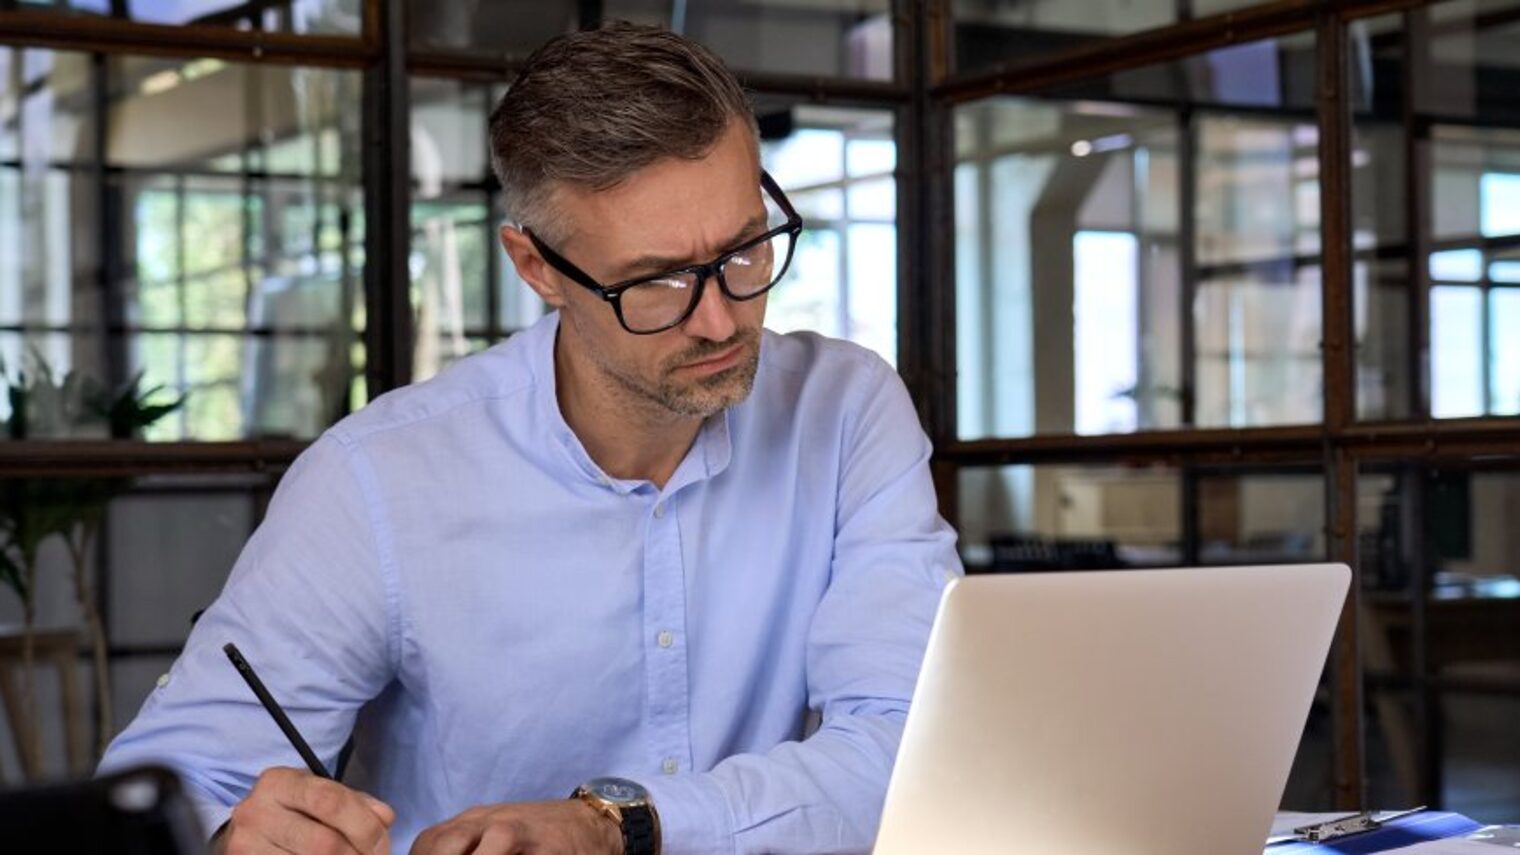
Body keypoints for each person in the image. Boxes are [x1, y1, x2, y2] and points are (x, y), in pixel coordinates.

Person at [100, 22, 961, 855]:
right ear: (535, 266)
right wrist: (227, 831)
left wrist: (619, 824)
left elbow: (913, 747)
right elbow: (167, 784)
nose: (721, 318)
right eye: (655, 281)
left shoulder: (846, 410)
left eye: (743, 249)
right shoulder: (378, 480)